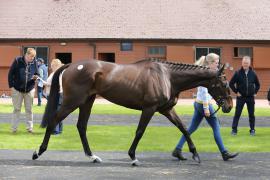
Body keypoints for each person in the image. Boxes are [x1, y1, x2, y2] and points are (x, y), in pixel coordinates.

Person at [172, 53, 239, 161]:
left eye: (218, 63)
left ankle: (177, 149)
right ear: (210, 63)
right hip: (204, 104)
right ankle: (224, 152)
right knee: (216, 127)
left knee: (191, 128)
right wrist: (206, 108)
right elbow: (203, 91)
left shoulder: (208, 72)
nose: (217, 65)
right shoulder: (206, 73)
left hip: (198, 104)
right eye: (216, 63)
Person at [8, 48, 39, 133]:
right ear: (27, 54)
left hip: (29, 90)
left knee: (29, 110)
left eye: (34, 57)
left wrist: (36, 77)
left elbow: (37, 73)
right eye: (31, 57)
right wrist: (11, 87)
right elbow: (10, 74)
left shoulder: (34, 62)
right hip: (17, 90)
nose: (33, 59)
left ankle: (30, 128)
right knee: (17, 109)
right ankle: (14, 129)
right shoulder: (17, 60)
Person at [229, 56, 260, 136]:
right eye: (244, 63)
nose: (245, 64)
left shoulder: (253, 73)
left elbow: (258, 84)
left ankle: (252, 130)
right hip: (241, 97)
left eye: (246, 63)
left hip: (250, 97)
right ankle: (234, 130)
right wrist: (236, 92)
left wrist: (255, 92)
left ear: (249, 63)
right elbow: (231, 83)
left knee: (251, 114)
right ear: (242, 63)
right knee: (237, 113)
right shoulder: (237, 73)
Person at [41, 59, 64, 134]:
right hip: (54, 94)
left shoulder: (58, 73)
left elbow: (58, 84)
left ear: (55, 65)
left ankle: (55, 130)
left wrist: (45, 83)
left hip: (56, 95)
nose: (51, 67)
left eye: (52, 65)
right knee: (57, 113)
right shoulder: (55, 73)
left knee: (54, 113)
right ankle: (59, 130)